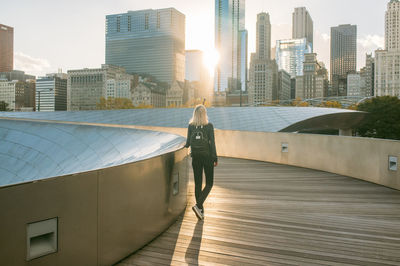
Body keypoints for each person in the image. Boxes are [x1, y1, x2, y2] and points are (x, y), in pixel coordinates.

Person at [185, 104, 218, 220]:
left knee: (198, 184)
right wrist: (215, 158)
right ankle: (198, 206)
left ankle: (201, 212)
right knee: (209, 183)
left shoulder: (190, 126)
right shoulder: (209, 126)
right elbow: (212, 143)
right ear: (205, 114)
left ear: (194, 114)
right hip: (207, 157)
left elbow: (188, 143)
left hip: (196, 158)